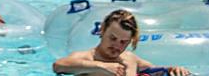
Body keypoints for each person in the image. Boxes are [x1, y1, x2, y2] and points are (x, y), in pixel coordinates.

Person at [52, 9, 189, 75]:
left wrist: (172, 69)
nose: (117, 46)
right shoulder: (87, 57)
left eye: (123, 42)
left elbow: (154, 70)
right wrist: (101, 66)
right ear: (103, 30)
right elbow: (58, 66)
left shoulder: (130, 59)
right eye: (113, 38)